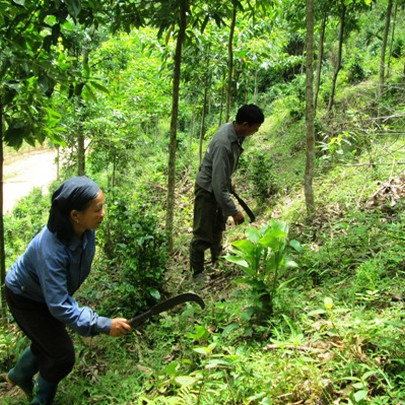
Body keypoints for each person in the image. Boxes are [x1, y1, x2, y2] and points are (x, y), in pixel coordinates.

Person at [5, 176, 131, 405]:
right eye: (97, 209)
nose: (103, 214)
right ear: (75, 215)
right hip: (25, 297)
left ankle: (19, 375)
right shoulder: (51, 250)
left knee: (48, 341)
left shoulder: (85, 230)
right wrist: (102, 324)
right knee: (62, 355)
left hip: (45, 294)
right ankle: (40, 400)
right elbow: (59, 304)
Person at [190, 104, 265, 277]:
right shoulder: (224, 143)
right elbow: (217, 186)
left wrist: (227, 177)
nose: (256, 131)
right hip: (207, 189)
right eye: (255, 128)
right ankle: (197, 272)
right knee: (202, 233)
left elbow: (222, 170)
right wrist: (234, 211)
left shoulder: (235, 133)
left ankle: (218, 260)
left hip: (218, 184)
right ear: (245, 125)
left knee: (217, 227)